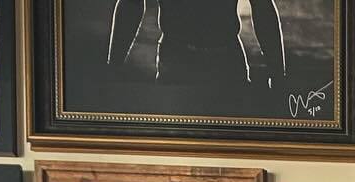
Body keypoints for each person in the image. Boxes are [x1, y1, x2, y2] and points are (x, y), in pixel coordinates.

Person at [106, 0, 288, 107]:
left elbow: (263, 8)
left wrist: (112, 68)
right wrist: (278, 75)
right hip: (190, 61)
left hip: (214, 62)